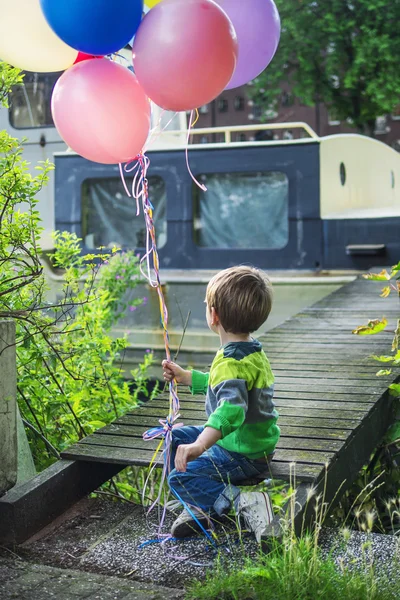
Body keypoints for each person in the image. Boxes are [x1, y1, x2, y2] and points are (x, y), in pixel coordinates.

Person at [162, 266, 280, 542]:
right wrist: (188, 377)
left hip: (243, 455)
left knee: (179, 478)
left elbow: (232, 410)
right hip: (251, 443)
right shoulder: (250, 349)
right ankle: (199, 505)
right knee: (174, 437)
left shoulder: (231, 362)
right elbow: (230, 387)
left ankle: (244, 503)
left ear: (213, 315)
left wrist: (200, 445)